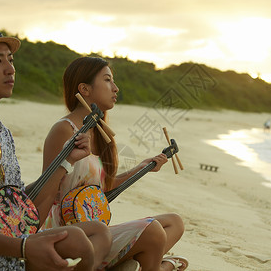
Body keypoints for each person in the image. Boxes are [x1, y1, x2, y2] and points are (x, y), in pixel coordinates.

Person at [0, 19, 111, 271]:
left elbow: (19, 203)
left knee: (93, 233)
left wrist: (65, 161)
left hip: (3, 244)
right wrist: (24, 248)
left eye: (11, 60)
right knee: (74, 246)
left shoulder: (1, 132)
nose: (10, 69)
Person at [41, 56, 188, 271]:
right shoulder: (64, 130)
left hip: (95, 230)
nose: (116, 88)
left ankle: (140, 265)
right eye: (108, 80)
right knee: (154, 230)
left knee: (174, 222)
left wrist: (141, 168)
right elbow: (45, 190)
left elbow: (102, 189)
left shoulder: (101, 135)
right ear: (85, 88)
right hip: (67, 231)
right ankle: (159, 267)